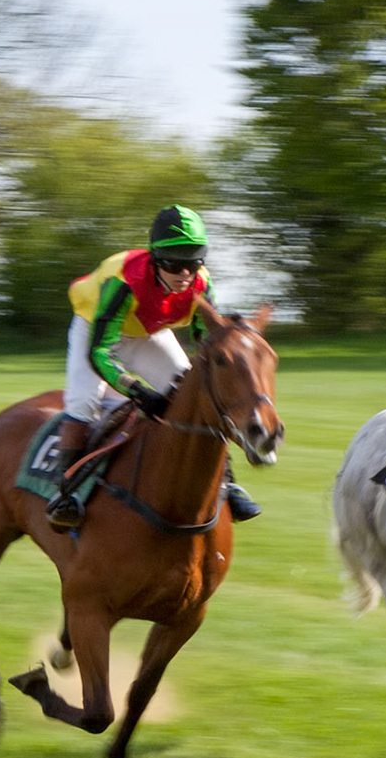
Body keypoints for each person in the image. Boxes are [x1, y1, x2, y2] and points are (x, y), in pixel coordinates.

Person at [45, 205, 262, 531]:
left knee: (192, 393)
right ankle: (66, 493)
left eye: (193, 263)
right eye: (174, 264)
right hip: (96, 331)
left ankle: (226, 482)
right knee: (84, 401)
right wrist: (137, 391)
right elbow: (100, 351)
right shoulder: (124, 281)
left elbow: (208, 345)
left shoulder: (201, 284)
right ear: (154, 258)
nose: (185, 274)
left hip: (149, 331)